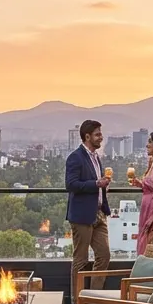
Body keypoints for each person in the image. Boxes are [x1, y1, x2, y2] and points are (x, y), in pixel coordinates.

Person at [65, 119, 111, 286]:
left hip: (99, 214)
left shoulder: (96, 157)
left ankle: (93, 295)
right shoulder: (75, 157)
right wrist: (96, 184)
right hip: (82, 216)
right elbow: (71, 184)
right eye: (97, 135)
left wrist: (103, 186)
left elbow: (95, 182)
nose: (101, 137)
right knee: (80, 260)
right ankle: (77, 299)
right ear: (87, 136)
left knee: (104, 255)